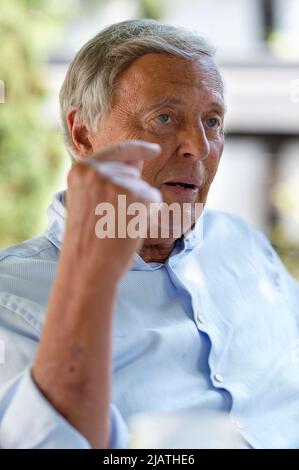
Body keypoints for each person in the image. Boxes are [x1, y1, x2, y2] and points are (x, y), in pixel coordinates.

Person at [0, 19, 299, 449]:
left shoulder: (242, 243)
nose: (196, 146)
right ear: (84, 134)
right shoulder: (14, 298)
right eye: (164, 117)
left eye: (212, 122)